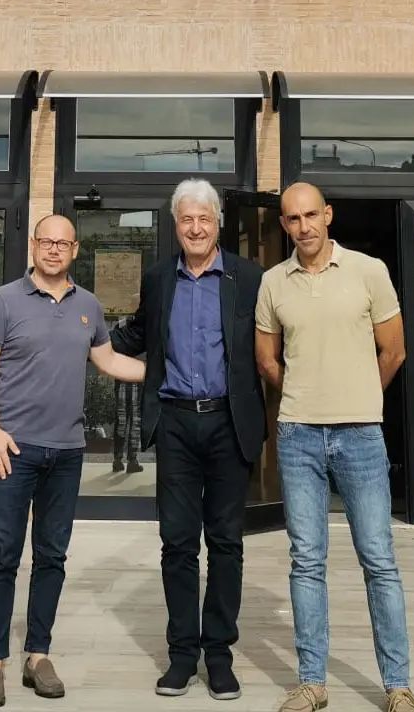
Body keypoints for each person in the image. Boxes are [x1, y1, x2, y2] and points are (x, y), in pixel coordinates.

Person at [254, 183, 414, 712]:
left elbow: (393, 350)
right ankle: (311, 683)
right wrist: (307, 392)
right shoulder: (271, 283)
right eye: (292, 219)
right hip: (298, 434)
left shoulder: (369, 270)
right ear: (283, 226)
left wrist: (356, 394)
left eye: (311, 215)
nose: (303, 226)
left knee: (379, 559)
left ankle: (398, 686)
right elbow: (267, 360)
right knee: (307, 560)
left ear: (327, 215)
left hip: (361, 436)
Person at [0, 213, 146, 707]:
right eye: (45, 241)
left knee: (52, 556)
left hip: (67, 452)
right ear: (33, 245)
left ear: (75, 250)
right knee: (2, 556)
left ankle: (38, 655)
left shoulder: (88, 305)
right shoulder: (4, 300)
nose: (53, 249)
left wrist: (169, 372)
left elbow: (110, 362)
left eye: (62, 243)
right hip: (13, 449)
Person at [110, 178, 266, 700]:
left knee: (225, 543)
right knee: (177, 544)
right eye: (186, 220)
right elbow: (134, 335)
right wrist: (76, 330)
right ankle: (182, 655)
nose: (195, 228)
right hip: (175, 422)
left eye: (204, 218)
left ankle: (218, 655)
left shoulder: (249, 278)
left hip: (228, 423)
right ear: (176, 226)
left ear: (217, 223)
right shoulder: (159, 279)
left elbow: (281, 337)